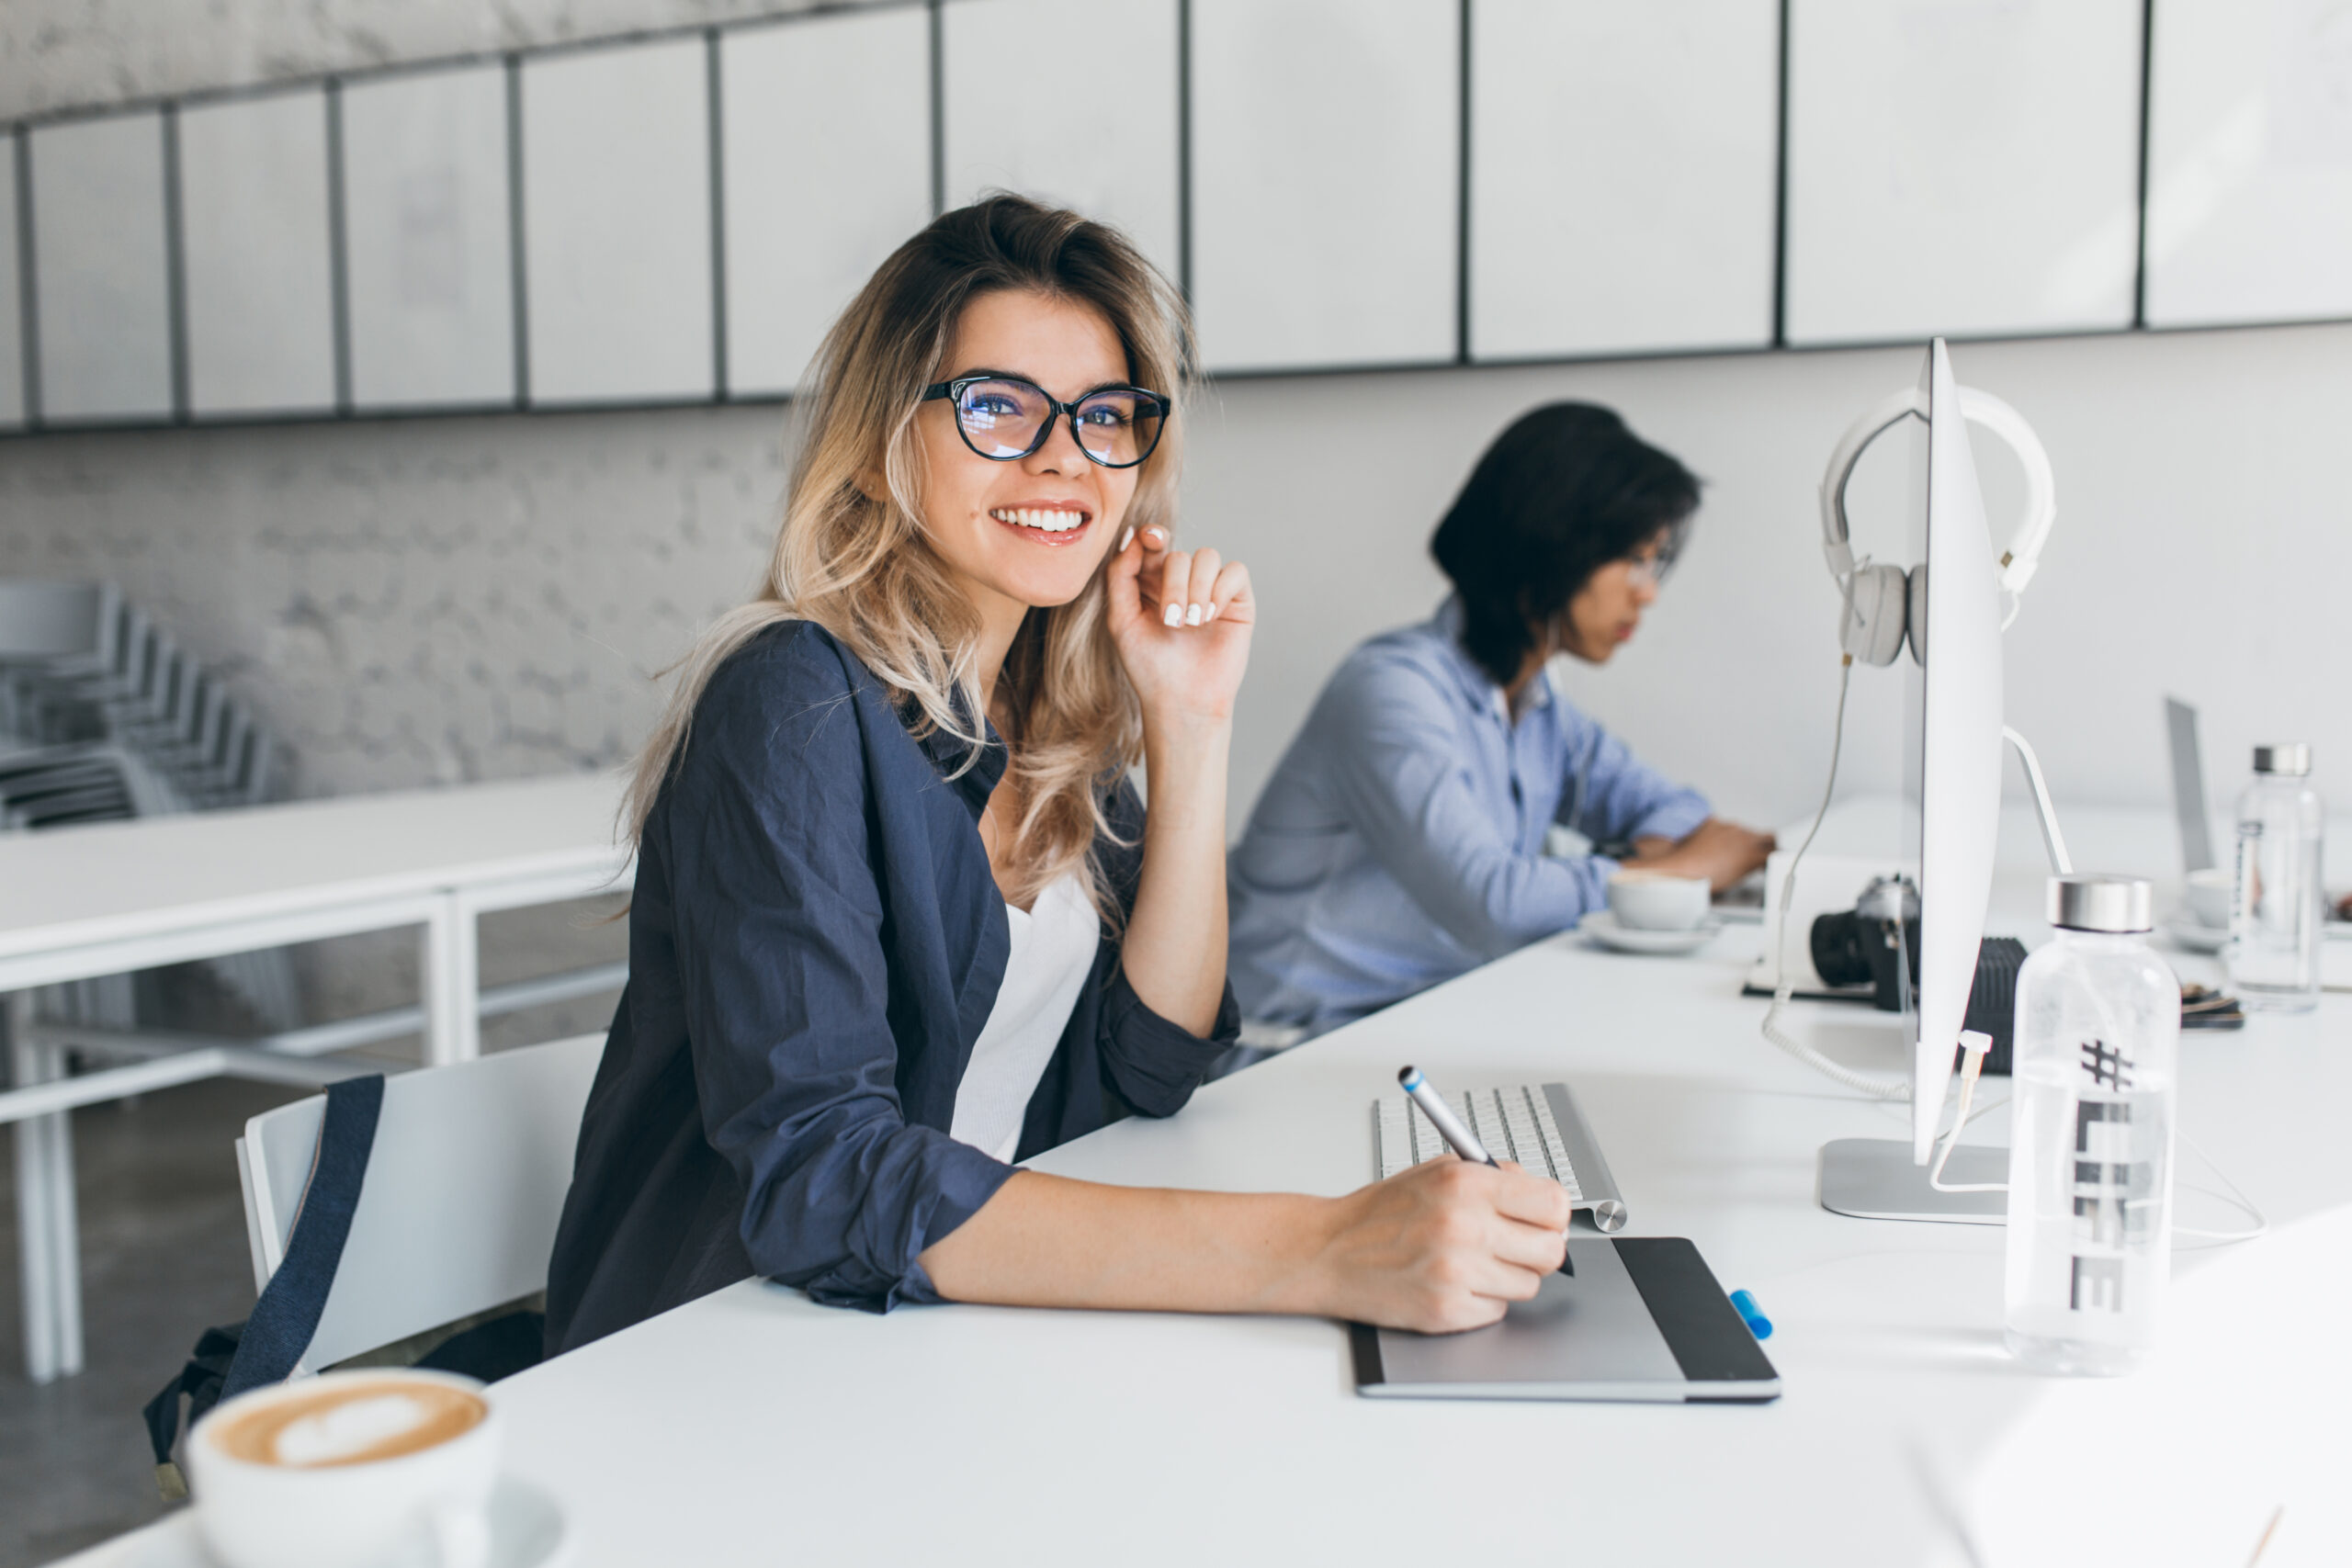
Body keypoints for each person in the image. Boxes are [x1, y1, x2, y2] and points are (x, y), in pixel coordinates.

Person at [544, 197, 1568, 1356]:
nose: (1062, 458)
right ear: (879, 454)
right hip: (723, 1354)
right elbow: (823, 1177)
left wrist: (1190, 721)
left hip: (940, 1328)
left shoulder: (1045, 709)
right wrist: (1321, 1248)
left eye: (1103, 418)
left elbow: (1152, 1061)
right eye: (996, 408)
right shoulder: (793, 699)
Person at [1227, 402, 1775, 1038]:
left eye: (1653, 564)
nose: (1647, 591)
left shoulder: (1537, 707)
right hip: (1287, 1046)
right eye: (1630, 559)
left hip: (1416, 1023)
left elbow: (1676, 810)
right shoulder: (1392, 693)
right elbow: (1497, 906)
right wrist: (1681, 872)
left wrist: (1662, 858)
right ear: (1553, 547)